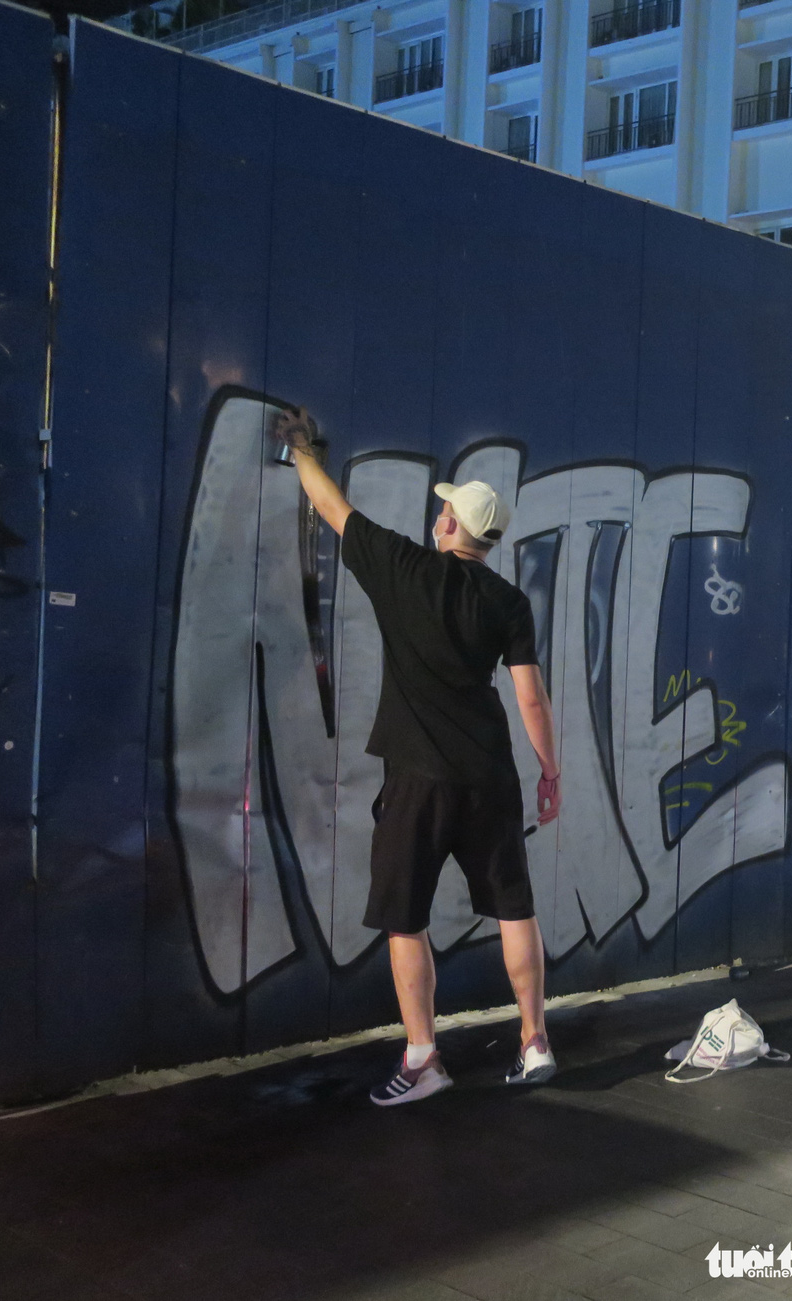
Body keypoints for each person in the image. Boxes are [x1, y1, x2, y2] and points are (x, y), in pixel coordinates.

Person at [274, 407, 561, 1106]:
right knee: (514, 909)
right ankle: (533, 1040)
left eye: (445, 514)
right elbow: (530, 698)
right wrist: (549, 770)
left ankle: (425, 1057)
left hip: (418, 778)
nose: (439, 520)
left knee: (407, 916)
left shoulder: (403, 568)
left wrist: (302, 448)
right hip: (490, 775)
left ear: (451, 526)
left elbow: (329, 504)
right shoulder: (509, 602)